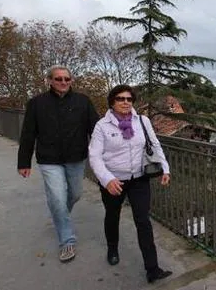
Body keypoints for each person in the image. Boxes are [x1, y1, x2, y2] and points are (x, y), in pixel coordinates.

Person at [88, 84, 172, 284]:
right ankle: (112, 248)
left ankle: (152, 269)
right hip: (114, 181)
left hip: (139, 179)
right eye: (120, 99)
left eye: (129, 99)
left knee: (143, 221)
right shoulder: (102, 126)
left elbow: (155, 144)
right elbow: (94, 156)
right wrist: (107, 179)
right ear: (112, 102)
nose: (125, 102)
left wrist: (165, 168)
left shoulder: (142, 121)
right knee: (112, 215)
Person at [18, 65, 100, 263]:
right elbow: (28, 133)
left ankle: (58, 214)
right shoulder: (36, 103)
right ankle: (67, 240)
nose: (63, 82)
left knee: (76, 194)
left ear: (71, 81)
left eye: (66, 79)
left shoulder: (83, 101)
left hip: (76, 157)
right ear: (49, 81)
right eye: (58, 79)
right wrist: (23, 161)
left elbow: (97, 130)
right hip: (49, 159)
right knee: (57, 198)